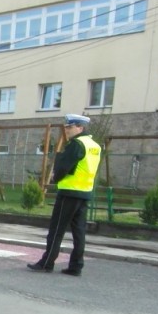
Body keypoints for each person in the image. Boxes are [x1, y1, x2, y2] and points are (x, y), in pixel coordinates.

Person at [28, 114, 102, 276]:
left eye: (70, 127)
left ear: (80, 128)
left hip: (69, 192)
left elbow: (64, 167)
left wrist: (55, 176)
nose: (67, 130)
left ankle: (46, 263)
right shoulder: (95, 146)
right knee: (79, 232)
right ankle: (76, 266)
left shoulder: (76, 144)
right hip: (84, 193)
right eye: (67, 127)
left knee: (57, 230)